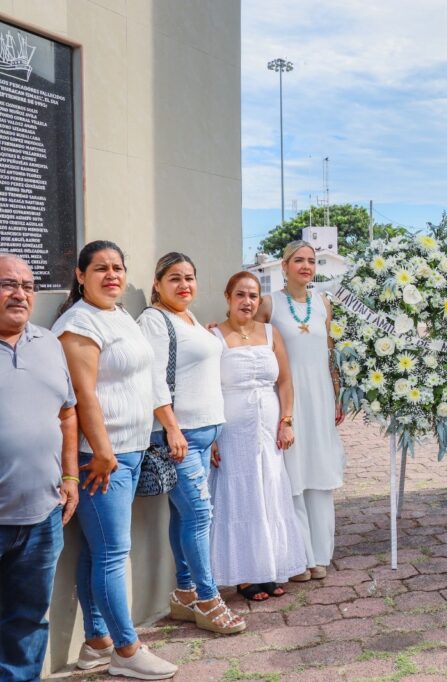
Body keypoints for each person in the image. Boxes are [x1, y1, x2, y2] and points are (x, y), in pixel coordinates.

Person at [52, 241, 177, 679]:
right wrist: (103, 451)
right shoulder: (78, 324)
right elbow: (83, 395)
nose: (112, 275)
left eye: (118, 268)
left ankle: (97, 641)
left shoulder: (119, 315)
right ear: (80, 275)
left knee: (96, 551)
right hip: (102, 457)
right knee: (112, 555)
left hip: (132, 449)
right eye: (101, 268)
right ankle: (127, 651)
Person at [138, 253, 245, 634]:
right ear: (157, 283)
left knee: (185, 515)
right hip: (178, 438)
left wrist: (211, 433)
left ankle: (183, 594)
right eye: (174, 278)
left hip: (202, 435)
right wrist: (172, 428)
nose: (184, 285)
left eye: (189, 277)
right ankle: (208, 599)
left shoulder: (190, 319)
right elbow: (152, 380)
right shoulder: (154, 320)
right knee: (200, 515)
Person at [0, 254, 78, 682]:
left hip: (42, 518)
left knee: (28, 622)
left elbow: (67, 414)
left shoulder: (48, 344)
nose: (20, 294)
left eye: (28, 286)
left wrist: (69, 477)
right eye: (8, 284)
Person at [209, 272, 307, 600]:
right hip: (232, 430)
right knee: (242, 495)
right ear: (228, 297)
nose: (247, 301)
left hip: (269, 426)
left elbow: (285, 381)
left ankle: (271, 567)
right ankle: (244, 575)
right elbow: (206, 389)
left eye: (253, 296)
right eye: (240, 295)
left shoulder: (271, 333)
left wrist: (287, 420)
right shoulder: (214, 336)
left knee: (271, 489)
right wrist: (211, 436)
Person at [254, 240, 345, 580]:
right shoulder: (269, 304)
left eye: (311, 261)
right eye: (299, 260)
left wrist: (337, 393)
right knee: (292, 474)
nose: (306, 266)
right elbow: (247, 335)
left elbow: (330, 351)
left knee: (319, 472)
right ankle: (298, 556)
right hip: (287, 401)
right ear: (284, 265)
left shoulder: (323, 304)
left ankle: (320, 555)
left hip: (320, 397)